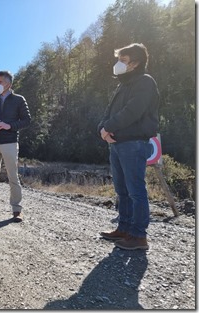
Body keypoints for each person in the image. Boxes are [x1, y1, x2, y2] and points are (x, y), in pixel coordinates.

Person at [98, 43, 159, 250]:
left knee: (135, 191)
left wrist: (108, 127)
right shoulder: (123, 84)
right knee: (121, 190)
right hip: (117, 143)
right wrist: (102, 129)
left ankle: (138, 236)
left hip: (134, 143)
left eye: (123, 61)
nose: (118, 64)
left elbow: (133, 110)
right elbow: (109, 111)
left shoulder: (145, 82)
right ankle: (123, 228)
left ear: (136, 62)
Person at [0, 70, 31, 222]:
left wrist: (9, 126)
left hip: (10, 142)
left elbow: (27, 120)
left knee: (13, 176)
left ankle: (17, 210)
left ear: (9, 83)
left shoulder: (19, 100)